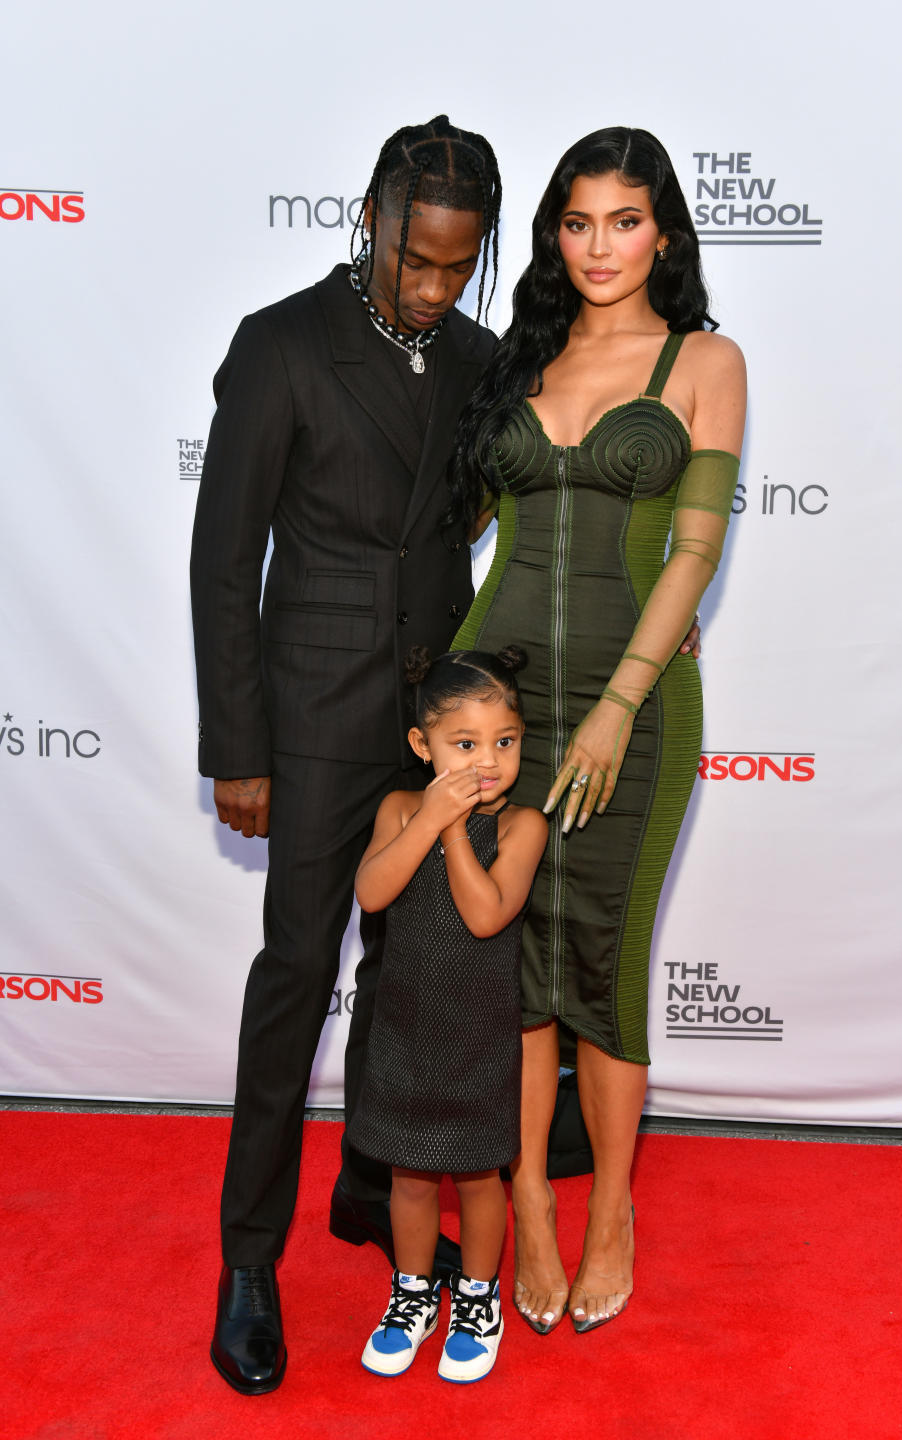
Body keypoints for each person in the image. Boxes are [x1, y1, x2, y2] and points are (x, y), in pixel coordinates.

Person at [190, 116, 504, 1395]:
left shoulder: (484, 357)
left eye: (455, 265)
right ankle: (248, 1260)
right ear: (372, 217)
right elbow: (224, 559)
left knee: (414, 972)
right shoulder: (280, 346)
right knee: (297, 972)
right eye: (414, 258)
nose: (430, 289)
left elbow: (474, 517)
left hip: (431, 716)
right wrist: (238, 744)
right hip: (314, 716)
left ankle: (375, 1185)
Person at [449, 127, 747, 1335]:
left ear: (662, 230)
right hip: (497, 709)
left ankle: (612, 1206)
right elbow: (449, 514)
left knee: (610, 966)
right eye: (578, 223)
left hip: (640, 703)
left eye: (624, 222)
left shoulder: (703, 358)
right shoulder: (517, 358)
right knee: (511, 970)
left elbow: (696, 547)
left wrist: (621, 701)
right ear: (553, 234)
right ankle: (526, 1200)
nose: (600, 247)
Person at [348, 646, 547, 1382]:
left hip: (479, 1033)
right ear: (421, 746)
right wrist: (428, 815)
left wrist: (455, 826)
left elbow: (486, 914)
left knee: (477, 1178)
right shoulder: (401, 807)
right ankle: (411, 1293)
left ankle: (474, 1297)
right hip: (407, 1026)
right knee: (408, 1175)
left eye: (505, 741)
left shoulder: (523, 825)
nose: (486, 761)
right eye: (464, 745)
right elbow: (371, 893)